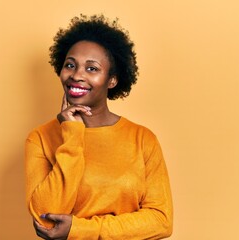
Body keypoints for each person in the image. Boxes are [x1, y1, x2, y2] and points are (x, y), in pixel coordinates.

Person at [25, 14, 173, 240]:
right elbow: (45, 220)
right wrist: (73, 135)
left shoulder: (142, 139)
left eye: (92, 69)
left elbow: (161, 221)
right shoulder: (40, 138)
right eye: (70, 65)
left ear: (112, 80)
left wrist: (81, 230)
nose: (76, 75)